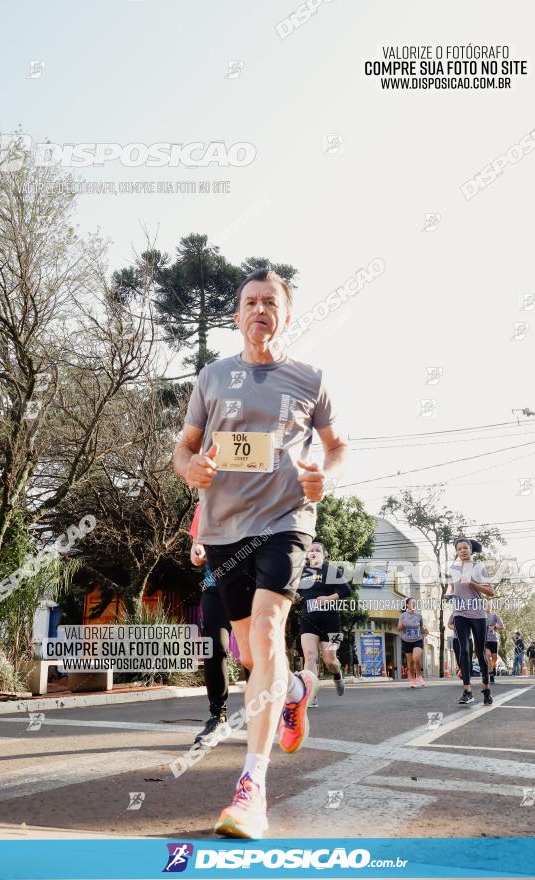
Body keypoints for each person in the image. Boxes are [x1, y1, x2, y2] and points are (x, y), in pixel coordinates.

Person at [173, 267, 348, 839]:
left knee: (269, 633)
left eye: (270, 302)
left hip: (286, 522)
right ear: (236, 314)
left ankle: (252, 787)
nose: (259, 311)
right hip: (226, 530)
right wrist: (189, 468)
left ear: (286, 314)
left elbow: (336, 445)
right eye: (249, 302)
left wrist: (324, 472)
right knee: (250, 653)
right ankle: (297, 689)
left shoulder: (309, 378)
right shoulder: (213, 377)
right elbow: (185, 448)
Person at [189, 503, 232, 746]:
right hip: (215, 587)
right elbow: (195, 554)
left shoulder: (255, 492)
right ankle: (217, 717)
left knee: (253, 655)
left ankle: (262, 717)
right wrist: (197, 551)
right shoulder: (204, 504)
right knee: (215, 647)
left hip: (251, 587)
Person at [296, 541, 351, 707]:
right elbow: (296, 595)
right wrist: (295, 599)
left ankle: (338, 674)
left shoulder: (331, 570)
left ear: (324, 554)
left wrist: (327, 599)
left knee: (330, 661)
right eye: (310, 550)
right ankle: (311, 695)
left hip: (331, 621)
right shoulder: (301, 573)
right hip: (309, 620)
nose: (313, 552)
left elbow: (346, 591)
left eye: (317, 550)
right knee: (310, 657)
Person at [447, 537, 495, 706]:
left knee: (480, 652)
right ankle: (467, 691)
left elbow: (491, 592)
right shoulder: (453, 569)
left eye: (465, 548)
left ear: (471, 550)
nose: (462, 551)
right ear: (457, 551)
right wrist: (450, 596)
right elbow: (453, 589)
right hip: (460, 613)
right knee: (464, 651)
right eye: (459, 548)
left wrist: (473, 583)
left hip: (478, 614)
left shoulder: (479, 567)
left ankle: (486, 689)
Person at [398, 597, 428, 687]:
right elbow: (398, 628)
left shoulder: (418, 615)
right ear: (407, 605)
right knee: (410, 662)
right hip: (406, 641)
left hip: (417, 640)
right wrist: (402, 625)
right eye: (411, 603)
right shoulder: (403, 616)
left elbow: (421, 628)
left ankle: (419, 676)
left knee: (416, 658)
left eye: (414, 603)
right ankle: (412, 679)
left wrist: (425, 631)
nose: (413, 604)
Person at [448, 611, 474, 679]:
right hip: (457, 639)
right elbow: (449, 624)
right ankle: (462, 670)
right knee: (459, 657)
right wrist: (457, 628)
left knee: (468, 657)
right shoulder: (454, 613)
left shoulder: (471, 613)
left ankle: (467, 676)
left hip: (468, 639)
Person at [486, 602, 504, 684]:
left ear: (491, 607)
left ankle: (493, 669)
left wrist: (494, 627)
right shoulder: (481, 617)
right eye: (485, 605)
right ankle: (491, 676)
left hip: (494, 640)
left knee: (494, 659)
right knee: (488, 657)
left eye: (488, 606)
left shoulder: (495, 616)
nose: (486, 607)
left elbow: (502, 626)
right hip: (485, 640)